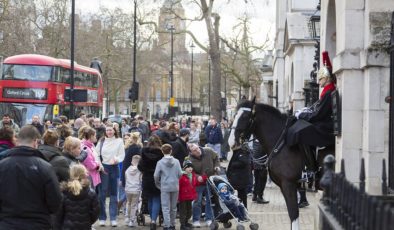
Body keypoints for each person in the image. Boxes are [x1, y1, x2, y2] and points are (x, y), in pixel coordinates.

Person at [0, 125, 62, 230]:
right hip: (38, 223)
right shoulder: (45, 167)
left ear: (17, 140)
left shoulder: (2, 165)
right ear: (35, 142)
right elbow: (55, 202)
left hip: (7, 223)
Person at [95, 124, 125, 227]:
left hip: (114, 168)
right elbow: (96, 154)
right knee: (102, 194)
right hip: (103, 168)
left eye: (111, 130)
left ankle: (113, 218)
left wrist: (116, 159)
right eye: (107, 130)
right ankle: (102, 217)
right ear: (105, 131)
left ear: (114, 130)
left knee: (113, 193)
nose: (109, 132)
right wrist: (100, 164)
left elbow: (122, 155)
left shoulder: (119, 141)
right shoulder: (101, 141)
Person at [187, 143, 220, 228]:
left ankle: (209, 219)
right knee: (197, 201)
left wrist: (217, 166)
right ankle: (196, 220)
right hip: (199, 183)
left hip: (210, 179)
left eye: (197, 148)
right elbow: (190, 171)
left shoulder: (208, 150)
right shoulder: (189, 159)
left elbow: (216, 157)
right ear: (191, 152)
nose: (197, 151)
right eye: (194, 150)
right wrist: (197, 177)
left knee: (210, 200)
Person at [57, 164, 99, 229]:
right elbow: (96, 212)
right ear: (85, 174)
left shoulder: (64, 192)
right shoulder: (91, 193)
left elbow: (59, 213)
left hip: (67, 227)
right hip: (85, 226)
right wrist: (89, 221)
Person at [154, 144, 182, 230]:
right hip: (175, 186)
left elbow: (156, 175)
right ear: (171, 151)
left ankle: (167, 225)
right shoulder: (176, 161)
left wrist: (158, 184)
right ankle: (173, 224)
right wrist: (176, 179)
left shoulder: (160, 162)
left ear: (162, 151)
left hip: (165, 186)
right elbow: (180, 174)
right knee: (173, 207)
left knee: (165, 207)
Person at [137, 135, 163, 230]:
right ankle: (153, 221)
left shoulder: (143, 152)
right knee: (156, 198)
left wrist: (145, 171)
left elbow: (139, 166)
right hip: (158, 178)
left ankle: (152, 218)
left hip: (147, 178)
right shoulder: (161, 153)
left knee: (150, 199)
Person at [178, 160, 198, 230]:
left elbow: (194, 184)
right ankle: (182, 225)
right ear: (184, 168)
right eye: (188, 167)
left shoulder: (192, 175)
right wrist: (178, 197)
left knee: (189, 211)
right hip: (183, 197)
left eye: (191, 167)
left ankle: (186, 222)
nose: (190, 168)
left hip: (190, 196)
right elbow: (178, 187)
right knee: (183, 211)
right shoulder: (181, 176)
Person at [124, 155, 142, 227]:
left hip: (128, 189)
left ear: (132, 161)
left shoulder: (127, 170)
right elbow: (141, 180)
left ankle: (127, 218)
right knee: (134, 205)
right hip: (136, 189)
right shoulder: (140, 170)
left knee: (128, 203)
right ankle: (132, 220)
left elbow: (126, 178)